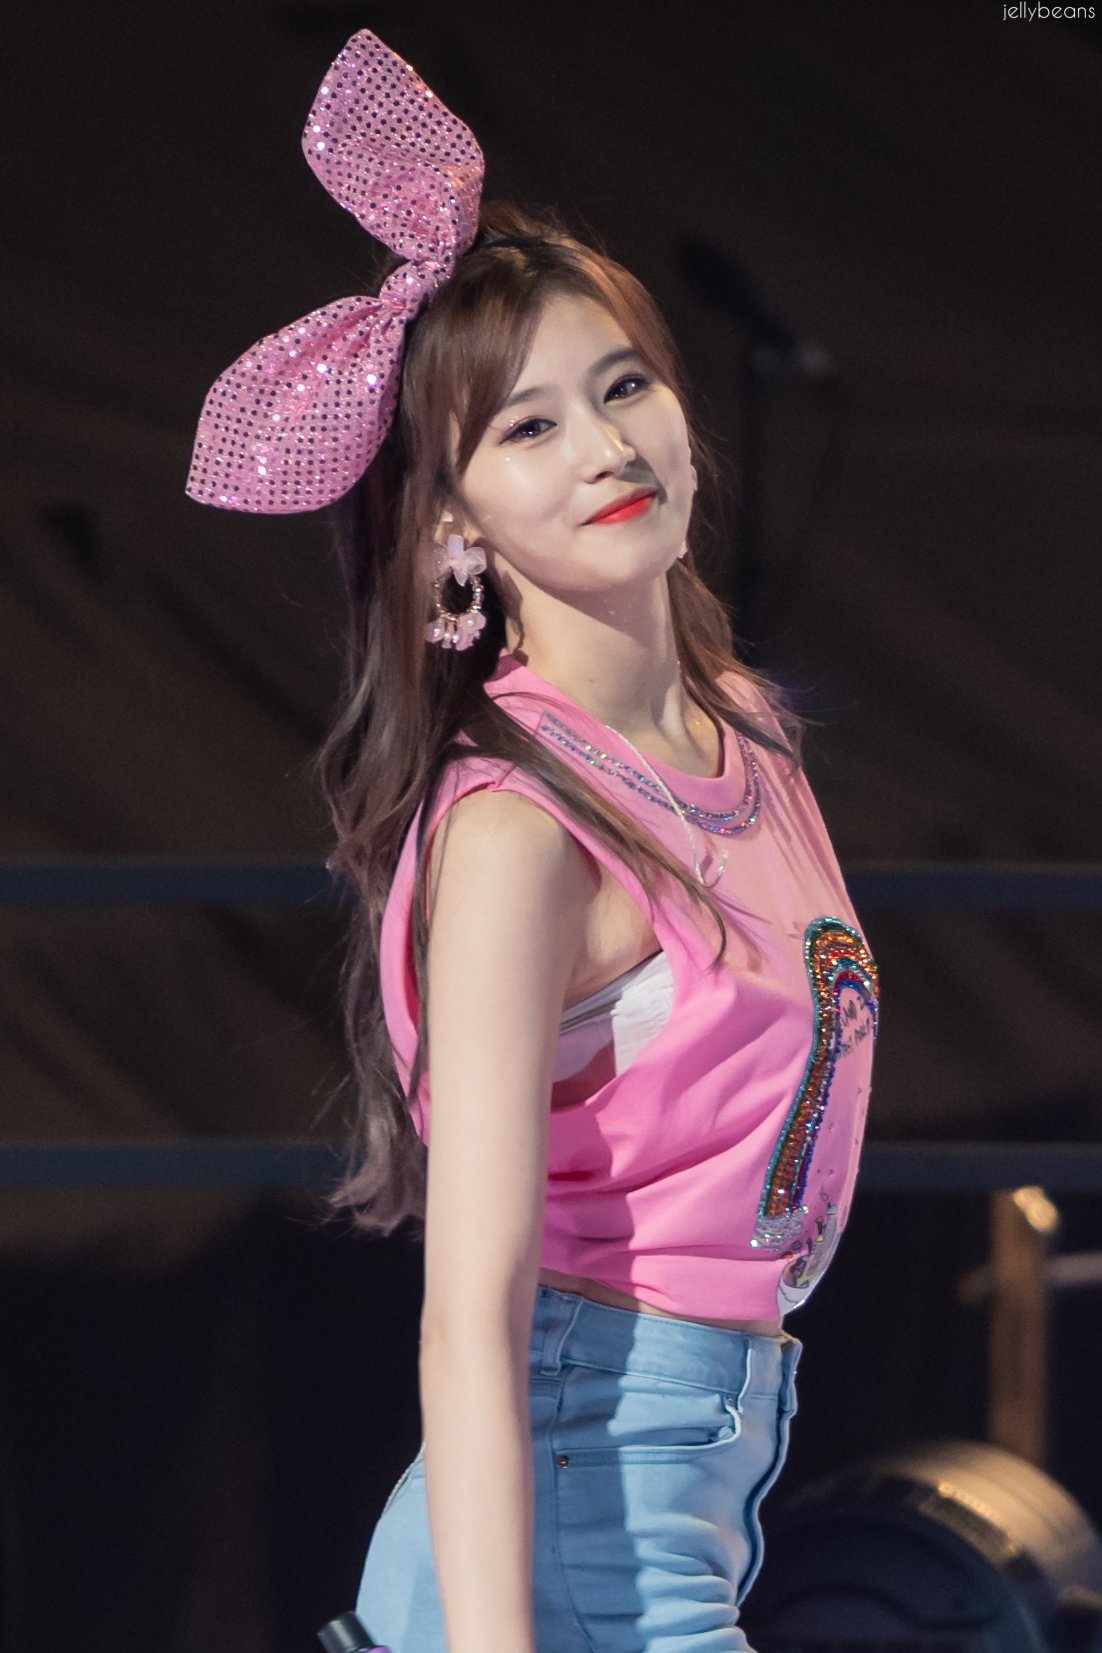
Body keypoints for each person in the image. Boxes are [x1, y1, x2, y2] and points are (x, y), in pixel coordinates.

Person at [187, 30, 881, 1653]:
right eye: (526, 429)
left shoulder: (743, 733)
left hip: (687, 1484)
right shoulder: (521, 827)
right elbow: (468, 1318)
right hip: (565, 1512)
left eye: (623, 386)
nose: (604, 448)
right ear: (451, 525)